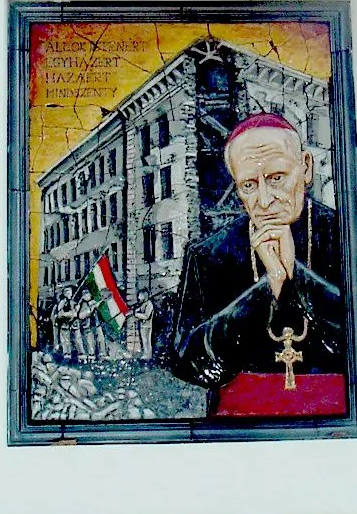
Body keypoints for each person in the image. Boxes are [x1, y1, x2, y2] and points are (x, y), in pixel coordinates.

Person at [170, 113, 346, 417]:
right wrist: (270, 285)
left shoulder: (347, 237)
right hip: (241, 426)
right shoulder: (209, 254)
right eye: (249, 185)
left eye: (277, 178)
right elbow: (190, 364)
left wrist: (296, 275)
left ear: (305, 167)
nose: (264, 200)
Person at [133, 288, 155, 360]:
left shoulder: (149, 304)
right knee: (144, 340)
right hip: (143, 325)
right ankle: (145, 353)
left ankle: (148, 355)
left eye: (140, 295)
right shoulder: (143, 304)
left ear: (144, 296)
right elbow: (138, 310)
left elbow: (146, 316)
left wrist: (136, 314)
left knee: (147, 341)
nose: (138, 297)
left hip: (147, 326)